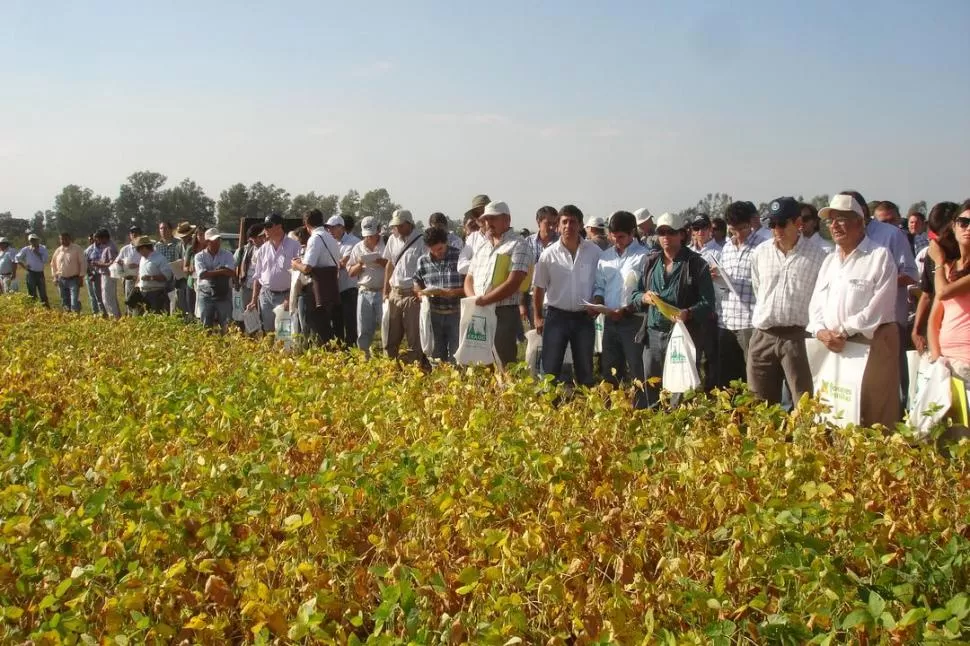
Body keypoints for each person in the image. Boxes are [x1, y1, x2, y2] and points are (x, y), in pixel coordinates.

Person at [807, 193, 899, 429]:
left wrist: (843, 331)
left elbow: (879, 307)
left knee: (872, 419)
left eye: (841, 219)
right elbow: (816, 304)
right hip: (832, 347)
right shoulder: (829, 261)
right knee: (835, 416)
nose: (834, 225)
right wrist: (820, 331)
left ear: (859, 221)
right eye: (830, 220)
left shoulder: (879, 256)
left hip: (871, 347)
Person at [747, 197, 828, 405]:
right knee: (759, 404)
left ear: (798, 223)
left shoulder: (818, 256)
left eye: (782, 223)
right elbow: (758, 289)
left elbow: (821, 299)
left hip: (798, 338)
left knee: (804, 402)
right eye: (772, 224)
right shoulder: (760, 253)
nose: (776, 229)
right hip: (763, 336)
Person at [631, 212, 716, 407]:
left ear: (682, 235)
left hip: (682, 335)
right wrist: (643, 298)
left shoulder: (696, 264)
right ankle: (653, 431)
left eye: (671, 232)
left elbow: (708, 302)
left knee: (681, 390)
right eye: (661, 232)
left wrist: (689, 312)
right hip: (653, 335)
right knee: (652, 388)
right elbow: (635, 295)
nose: (666, 237)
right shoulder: (650, 263)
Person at [532, 205, 601, 385]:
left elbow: (601, 282)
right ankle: (550, 409)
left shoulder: (594, 253)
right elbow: (538, 287)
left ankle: (584, 408)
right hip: (556, 317)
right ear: (557, 225)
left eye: (573, 222)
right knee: (550, 368)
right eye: (564, 222)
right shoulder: (548, 255)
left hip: (583, 318)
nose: (568, 226)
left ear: (580, 225)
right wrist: (537, 316)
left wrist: (598, 300)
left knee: (585, 368)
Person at [862, 193, 918, 412]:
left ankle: (900, 421)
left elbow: (911, 274)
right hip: (860, 323)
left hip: (890, 320)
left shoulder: (892, 235)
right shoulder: (847, 239)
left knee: (894, 377)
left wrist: (878, 283)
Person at [464, 201, 532, 366]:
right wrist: (475, 300)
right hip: (479, 310)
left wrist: (484, 301)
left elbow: (514, 282)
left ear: (507, 220)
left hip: (503, 313)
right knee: (479, 362)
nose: (488, 223)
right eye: (486, 219)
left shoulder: (518, 244)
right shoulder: (482, 245)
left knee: (503, 361)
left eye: (493, 218)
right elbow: (469, 278)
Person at [592, 210, 648, 406]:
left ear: (633, 233)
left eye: (622, 237)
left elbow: (645, 292)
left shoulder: (644, 256)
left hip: (634, 320)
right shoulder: (605, 257)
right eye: (613, 237)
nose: (617, 241)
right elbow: (600, 285)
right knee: (610, 368)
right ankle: (611, 410)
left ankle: (641, 409)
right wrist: (598, 302)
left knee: (636, 367)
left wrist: (625, 310)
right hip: (610, 320)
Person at [715, 201, 761, 388]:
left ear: (750, 223)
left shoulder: (761, 247)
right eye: (733, 230)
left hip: (749, 321)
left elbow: (764, 284)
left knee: (752, 375)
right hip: (726, 319)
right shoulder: (726, 248)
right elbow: (724, 284)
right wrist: (717, 276)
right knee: (727, 377)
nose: (738, 235)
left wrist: (743, 283)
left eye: (742, 229)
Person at [927, 200, 970, 380]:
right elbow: (934, 320)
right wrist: (937, 359)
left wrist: (938, 262)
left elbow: (944, 293)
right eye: (963, 222)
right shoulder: (948, 269)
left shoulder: (941, 268)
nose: (968, 228)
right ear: (953, 226)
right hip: (945, 364)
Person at [912, 202, 960, 353]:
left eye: (945, 238)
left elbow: (944, 292)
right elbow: (926, 294)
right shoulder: (932, 254)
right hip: (937, 335)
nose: (938, 243)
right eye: (933, 237)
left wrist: (940, 262)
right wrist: (916, 330)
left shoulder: (963, 257)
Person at [292, 209, 343, 345]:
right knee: (325, 325)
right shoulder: (330, 237)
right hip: (330, 287)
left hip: (317, 289)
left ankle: (326, 357)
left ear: (306, 223)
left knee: (317, 328)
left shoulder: (315, 238)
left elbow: (307, 267)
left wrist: (295, 264)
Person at [414, 227, 465, 362]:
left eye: (441, 249)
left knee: (457, 356)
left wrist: (453, 292)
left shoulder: (460, 257)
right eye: (434, 250)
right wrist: (421, 293)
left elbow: (469, 285)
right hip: (434, 314)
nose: (438, 253)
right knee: (436, 355)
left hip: (456, 313)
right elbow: (416, 281)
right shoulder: (422, 261)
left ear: (446, 242)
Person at [383, 209, 425, 364]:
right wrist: (385, 291)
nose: (397, 229)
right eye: (396, 226)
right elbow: (389, 265)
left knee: (414, 336)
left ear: (409, 224)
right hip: (395, 292)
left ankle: (417, 368)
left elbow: (425, 268)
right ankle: (391, 367)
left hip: (411, 294)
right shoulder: (393, 240)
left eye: (400, 226)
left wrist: (420, 292)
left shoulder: (421, 240)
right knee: (391, 335)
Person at [248, 213, 302, 333]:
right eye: (264, 226)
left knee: (284, 333)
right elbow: (257, 276)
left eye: (268, 226)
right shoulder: (263, 249)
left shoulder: (294, 246)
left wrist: (290, 298)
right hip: (265, 296)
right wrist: (253, 300)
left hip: (285, 296)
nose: (265, 230)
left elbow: (298, 276)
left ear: (279, 226)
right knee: (268, 332)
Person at [348, 216, 387, 356]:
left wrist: (380, 261)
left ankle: (387, 356)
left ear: (378, 231)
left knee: (386, 326)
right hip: (364, 291)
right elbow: (351, 272)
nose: (369, 238)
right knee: (363, 328)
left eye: (372, 235)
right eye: (367, 235)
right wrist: (360, 263)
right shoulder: (358, 247)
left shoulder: (387, 244)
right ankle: (364, 356)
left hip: (383, 292)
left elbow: (393, 266)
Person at [325, 215, 361, 347]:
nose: (330, 231)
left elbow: (343, 263)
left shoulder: (354, 242)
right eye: (328, 228)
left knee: (350, 322)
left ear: (341, 227)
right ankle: (340, 349)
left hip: (349, 288)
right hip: (335, 289)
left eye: (333, 228)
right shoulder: (331, 242)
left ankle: (352, 349)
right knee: (337, 321)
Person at [523, 206, 560, 329]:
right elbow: (521, 275)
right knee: (536, 337)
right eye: (548, 223)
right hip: (532, 297)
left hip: (554, 298)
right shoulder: (527, 243)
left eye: (554, 224)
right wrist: (521, 304)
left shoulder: (561, 243)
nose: (552, 227)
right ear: (538, 222)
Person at [194, 228, 236, 333]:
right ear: (207, 242)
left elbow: (231, 273)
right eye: (214, 240)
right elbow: (202, 274)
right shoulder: (199, 256)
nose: (217, 242)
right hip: (205, 294)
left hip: (223, 293)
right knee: (206, 326)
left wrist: (212, 272)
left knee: (227, 325)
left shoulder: (228, 254)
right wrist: (221, 271)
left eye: (218, 240)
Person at [135, 236, 174, 314]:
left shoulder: (160, 258)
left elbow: (167, 276)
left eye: (139, 250)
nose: (138, 252)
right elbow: (140, 273)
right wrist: (136, 284)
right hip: (142, 292)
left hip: (156, 293)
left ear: (144, 248)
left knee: (156, 315)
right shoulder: (142, 259)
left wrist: (151, 278)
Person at [235, 224, 264, 330]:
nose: (257, 240)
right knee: (248, 314)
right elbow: (236, 265)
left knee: (261, 316)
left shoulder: (266, 249)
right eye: (254, 238)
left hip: (261, 288)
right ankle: (249, 337)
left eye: (259, 237)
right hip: (247, 286)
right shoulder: (245, 250)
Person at [50, 232, 87, 313]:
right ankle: (68, 316)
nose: (63, 241)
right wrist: (54, 277)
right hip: (61, 279)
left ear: (69, 239)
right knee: (64, 300)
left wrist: (81, 277)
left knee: (73, 300)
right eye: (61, 239)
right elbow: (53, 264)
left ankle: (76, 314)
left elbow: (83, 263)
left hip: (74, 279)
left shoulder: (77, 249)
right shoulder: (58, 250)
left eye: (65, 239)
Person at [457, 195, 491, 275]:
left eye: (484, 212)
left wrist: (473, 263)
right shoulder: (473, 238)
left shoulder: (504, 235)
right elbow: (461, 266)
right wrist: (484, 263)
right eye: (477, 214)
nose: (481, 216)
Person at [155, 221, 185, 313]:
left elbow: (183, 258)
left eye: (165, 228)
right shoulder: (157, 246)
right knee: (162, 306)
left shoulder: (179, 243)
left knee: (175, 305)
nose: (163, 230)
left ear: (171, 230)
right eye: (161, 228)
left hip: (175, 279)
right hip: (161, 280)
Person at [91, 229, 120, 319]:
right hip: (106, 275)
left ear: (103, 238)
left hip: (108, 275)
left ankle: (114, 317)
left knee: (108, 298)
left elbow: (112, 263)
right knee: (107, 298)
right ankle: (114, 316)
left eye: (98, 239)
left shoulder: (109, 248)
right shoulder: (106, 246)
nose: (97, 241)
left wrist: (98, 264)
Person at [115, 226, 143, 314]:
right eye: (132, 233)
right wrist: (122, 263)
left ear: (140, 234)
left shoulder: (145, 247)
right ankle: (131, 319)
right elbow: (117, 262)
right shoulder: (125, 249)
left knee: (141, 301)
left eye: (136, 232)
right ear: (130, 235)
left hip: (141, 279)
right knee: (130, 300)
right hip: (129, 279)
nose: (134, 234)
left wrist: (137, 265)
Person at [16, 233, 50, 306]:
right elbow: (17, 258)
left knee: (43, 293)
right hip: (30, 273)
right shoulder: (26, 249)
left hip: (40, 273)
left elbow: (46, 260)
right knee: (32, 293)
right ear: (29, 241)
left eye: (35, 240)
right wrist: (24, 266)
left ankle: (46, 309)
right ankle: (33, 309)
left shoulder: (43, 248)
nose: (33, 242)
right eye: (31, 240)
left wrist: (38, 253)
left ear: (38, 240)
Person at [174, 222, 197, 317]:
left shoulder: (194, 245)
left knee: (192, 303)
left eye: (185, 236)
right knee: (182, 303)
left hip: (192, 277)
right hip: (181, 278)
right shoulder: (178, 246)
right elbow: (176, 260)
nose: (183, 238)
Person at [84, 234, 105, 316]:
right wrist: (90, 274)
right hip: (92, 274)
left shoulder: (104, 248)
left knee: (101, 294)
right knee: (93, 295)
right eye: (90, 239)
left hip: (102, 274)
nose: (91, 241)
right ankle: (95, 313)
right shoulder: (88, 250)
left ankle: (104, 312)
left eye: (93, 239)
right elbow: (85, 263)